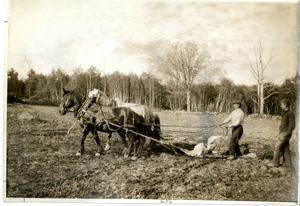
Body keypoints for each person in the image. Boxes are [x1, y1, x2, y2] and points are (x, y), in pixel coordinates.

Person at [268, 99, 295, 168]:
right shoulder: (284, 113)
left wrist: (286, 134)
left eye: (282, 105)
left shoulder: (290, 113)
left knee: (277, 147)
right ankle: (287, 164)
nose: (280, 106)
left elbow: (292, 126)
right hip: (282, 133)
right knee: (285, 148)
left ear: (285, 105)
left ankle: (275, 163)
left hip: (285, 134)